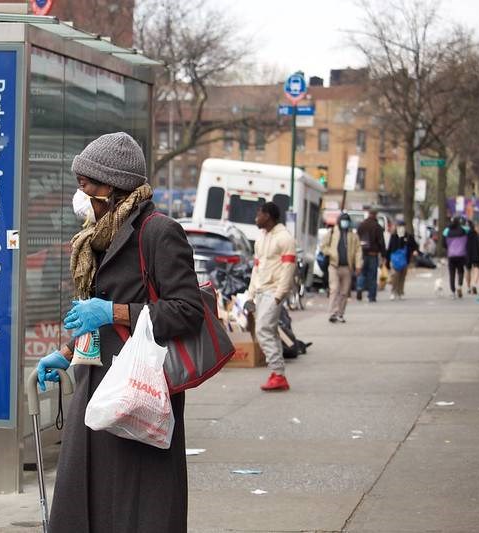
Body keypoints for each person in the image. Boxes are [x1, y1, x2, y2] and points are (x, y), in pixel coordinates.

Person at [36, 132, 204, 532]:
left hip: (139, 390)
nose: (80, 195)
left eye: (86, 185)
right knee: (86, 499)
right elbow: (97, 317)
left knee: (136, 506)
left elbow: (186, 309)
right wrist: (66, 352)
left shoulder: (159, 231)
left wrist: (112, 311)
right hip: (96, 384)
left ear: (111, 185)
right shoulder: (97, 236)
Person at [245, 201, 296, 391]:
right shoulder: (261, 238)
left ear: (268, 216)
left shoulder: (284, 238)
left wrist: (279, 294)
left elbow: (288, 268)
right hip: (260, 292)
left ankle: (277, 372)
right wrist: (251, 294)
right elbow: (256, 268)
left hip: (273, 292)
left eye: (259, 214)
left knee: (263, 331)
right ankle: (278, 374)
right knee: (271, 332)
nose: (256, 218)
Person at [321, 212, 362, 323]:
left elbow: (358, 251)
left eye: (346, 221)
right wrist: (330, 252)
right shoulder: (333, 232)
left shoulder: (353, 236)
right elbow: (323, 246)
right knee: (334, 289)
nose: (345, 223)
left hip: (347, 268)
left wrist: (358, 265)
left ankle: (340, 313)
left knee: (344, 292)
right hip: (334, 266)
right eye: (343, 221)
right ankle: (333, 312)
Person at [356, 207, 386, 302]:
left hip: (362, 253)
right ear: (376, 214)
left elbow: (357, 239)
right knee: (372, 276)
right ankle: (371, 296)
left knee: (362, 273)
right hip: (373, 254)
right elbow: (381, 242)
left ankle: (359, 287)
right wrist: (384, 255)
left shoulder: (362, 225)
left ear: (368, 213)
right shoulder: (377, 227)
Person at [386, 220, 419, 300]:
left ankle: (400, 292)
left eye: (403, 226)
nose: (401, 228)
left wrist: (414, 251)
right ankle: (393, 291)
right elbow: (390, 248)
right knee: (395, 276)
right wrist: (387, 259)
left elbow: (414, 245)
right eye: (400, 226)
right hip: (395, 260)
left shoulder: (408, 236)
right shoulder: (394, 236)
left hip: (404, 260)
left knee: (402, 276)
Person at [443, 216, 469, 299]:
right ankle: (459, 286)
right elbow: (467, 240)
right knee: (460, 271)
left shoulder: (448, 231)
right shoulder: (463, 231)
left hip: (451, 255)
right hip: (461, 254)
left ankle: (453, 292)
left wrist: (449, 248)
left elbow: (444, 243)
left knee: (452, 273)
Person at [465, 219, 479, 294]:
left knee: (468, 270)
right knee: (477, 268)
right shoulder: (476, 234)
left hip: (467, 253)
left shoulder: (465, 234)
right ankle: (474, 284)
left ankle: (468, 287)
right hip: (475, 253)